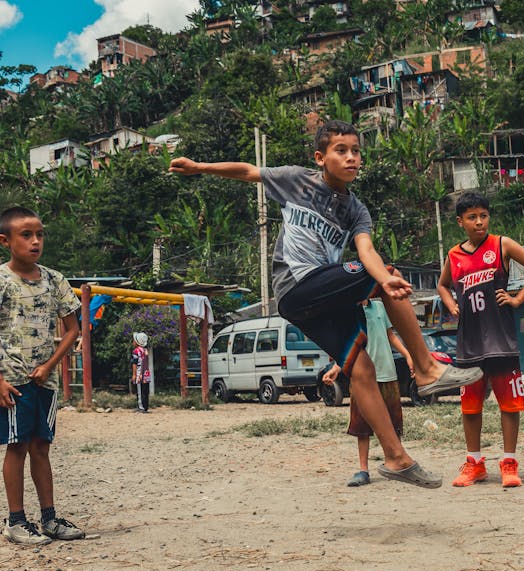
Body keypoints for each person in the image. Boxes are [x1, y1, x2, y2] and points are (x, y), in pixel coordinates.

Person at [169, 120, 482, 488]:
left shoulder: (356, 210)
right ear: (320, 158)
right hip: (295, 287)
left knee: (362, 368)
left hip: (320, 301)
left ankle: (396, 458)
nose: (351, 158)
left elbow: (366, 250)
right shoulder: (295, 180)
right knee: (380, 275)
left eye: (356, 151)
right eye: (341, 150)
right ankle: (427, 369)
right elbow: (248, 171)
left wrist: (383, 279)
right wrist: (199, 168)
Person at [437, 191, 524, 488]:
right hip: (469, 343)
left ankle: (509, 462)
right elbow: (442, 285)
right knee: (470, 406)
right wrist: (449, 304)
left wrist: (518, 298)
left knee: (509, 405)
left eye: (483, 216)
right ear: (461, 221)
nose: (479, 222)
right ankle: (474, 464)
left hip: (501, 340)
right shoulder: (454, 255)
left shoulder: (502, 245)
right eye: (472, 217)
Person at [0, 206, 85, 545]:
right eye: (26, 235)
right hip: (12, 381)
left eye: (40, 234)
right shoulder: (2, 280)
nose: (35, 241)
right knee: (17, 446)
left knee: (41, 447)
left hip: (44, 381)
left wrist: (51, 365)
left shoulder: (54, 279)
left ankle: (49, 518)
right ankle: (16, 521)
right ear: (6, 241)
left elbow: (72, 329)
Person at [322, 299, 412, 487]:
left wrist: (408, 355)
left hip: (387, 372)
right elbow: (348, 346)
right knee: (361, 427)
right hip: (362, 378)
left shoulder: (379, 306)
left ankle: (398, 464)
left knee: (393, 422)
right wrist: (336, 368)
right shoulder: (349, 311)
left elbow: (391, 335)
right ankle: (363, 470)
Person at [130, 332, 151, 413]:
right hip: (146, 374)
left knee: (139, 391)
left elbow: (134, 363)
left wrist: (134, 375)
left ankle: (141, 407)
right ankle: (146, 407)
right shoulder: (145, 350)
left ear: (137, 342)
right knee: (145, 391)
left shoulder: (136, 351)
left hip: (139, 374)